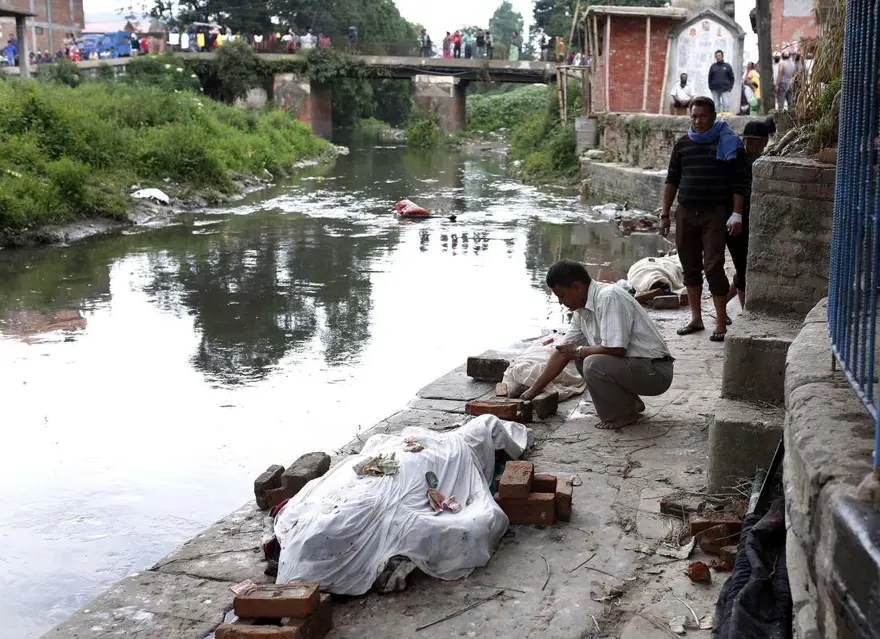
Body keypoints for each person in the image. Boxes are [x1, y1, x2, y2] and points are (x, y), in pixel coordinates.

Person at [519, 260, 674, 430]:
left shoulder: (608, 296)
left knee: (591, 362)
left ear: (577, 287)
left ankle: (622, 414)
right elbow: (562, 353)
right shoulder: (581, 310)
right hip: (638, 368)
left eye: (562, 295)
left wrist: (578, 351)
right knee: (580, 357)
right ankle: (630, 404)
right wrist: (533, 391)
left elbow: (617, 349)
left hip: (656, 372)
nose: (561, 302)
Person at [659, 96, 748, 342]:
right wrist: (665, 214)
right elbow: (672, 180)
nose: (698, 121)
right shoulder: (683, 145)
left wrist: (737, 214)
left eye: (703, 116)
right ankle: (696, 319)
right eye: (694, 116)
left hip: (715, 213)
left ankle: (721, 322)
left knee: (713, 265)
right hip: (686, 212)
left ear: (714, 116)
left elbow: (739, 183)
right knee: (690, 266)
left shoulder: (728, 143)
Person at [726, 118, 775, 310]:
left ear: (765, 142)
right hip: (735, 220)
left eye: (756, 141)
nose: (751, 144)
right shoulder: (737, 160)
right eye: (748, 140)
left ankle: (721, 306)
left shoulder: (764, 161)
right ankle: (746, 313)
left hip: (754, 222)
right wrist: (735, 215)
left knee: (744, 267)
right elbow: (737, 188)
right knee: (742, 267)